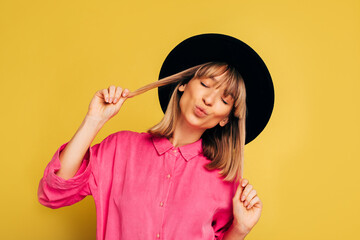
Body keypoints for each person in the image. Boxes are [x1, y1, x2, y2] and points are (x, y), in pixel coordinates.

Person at [38, 34, 274, 240]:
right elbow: (53, 192)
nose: (209, 100)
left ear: (225, 118)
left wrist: (240, 230)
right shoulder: (120, 149)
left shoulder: (225, 180)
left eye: (225, 99)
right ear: (183, 84)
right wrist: (94, 120)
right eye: (205, 84)